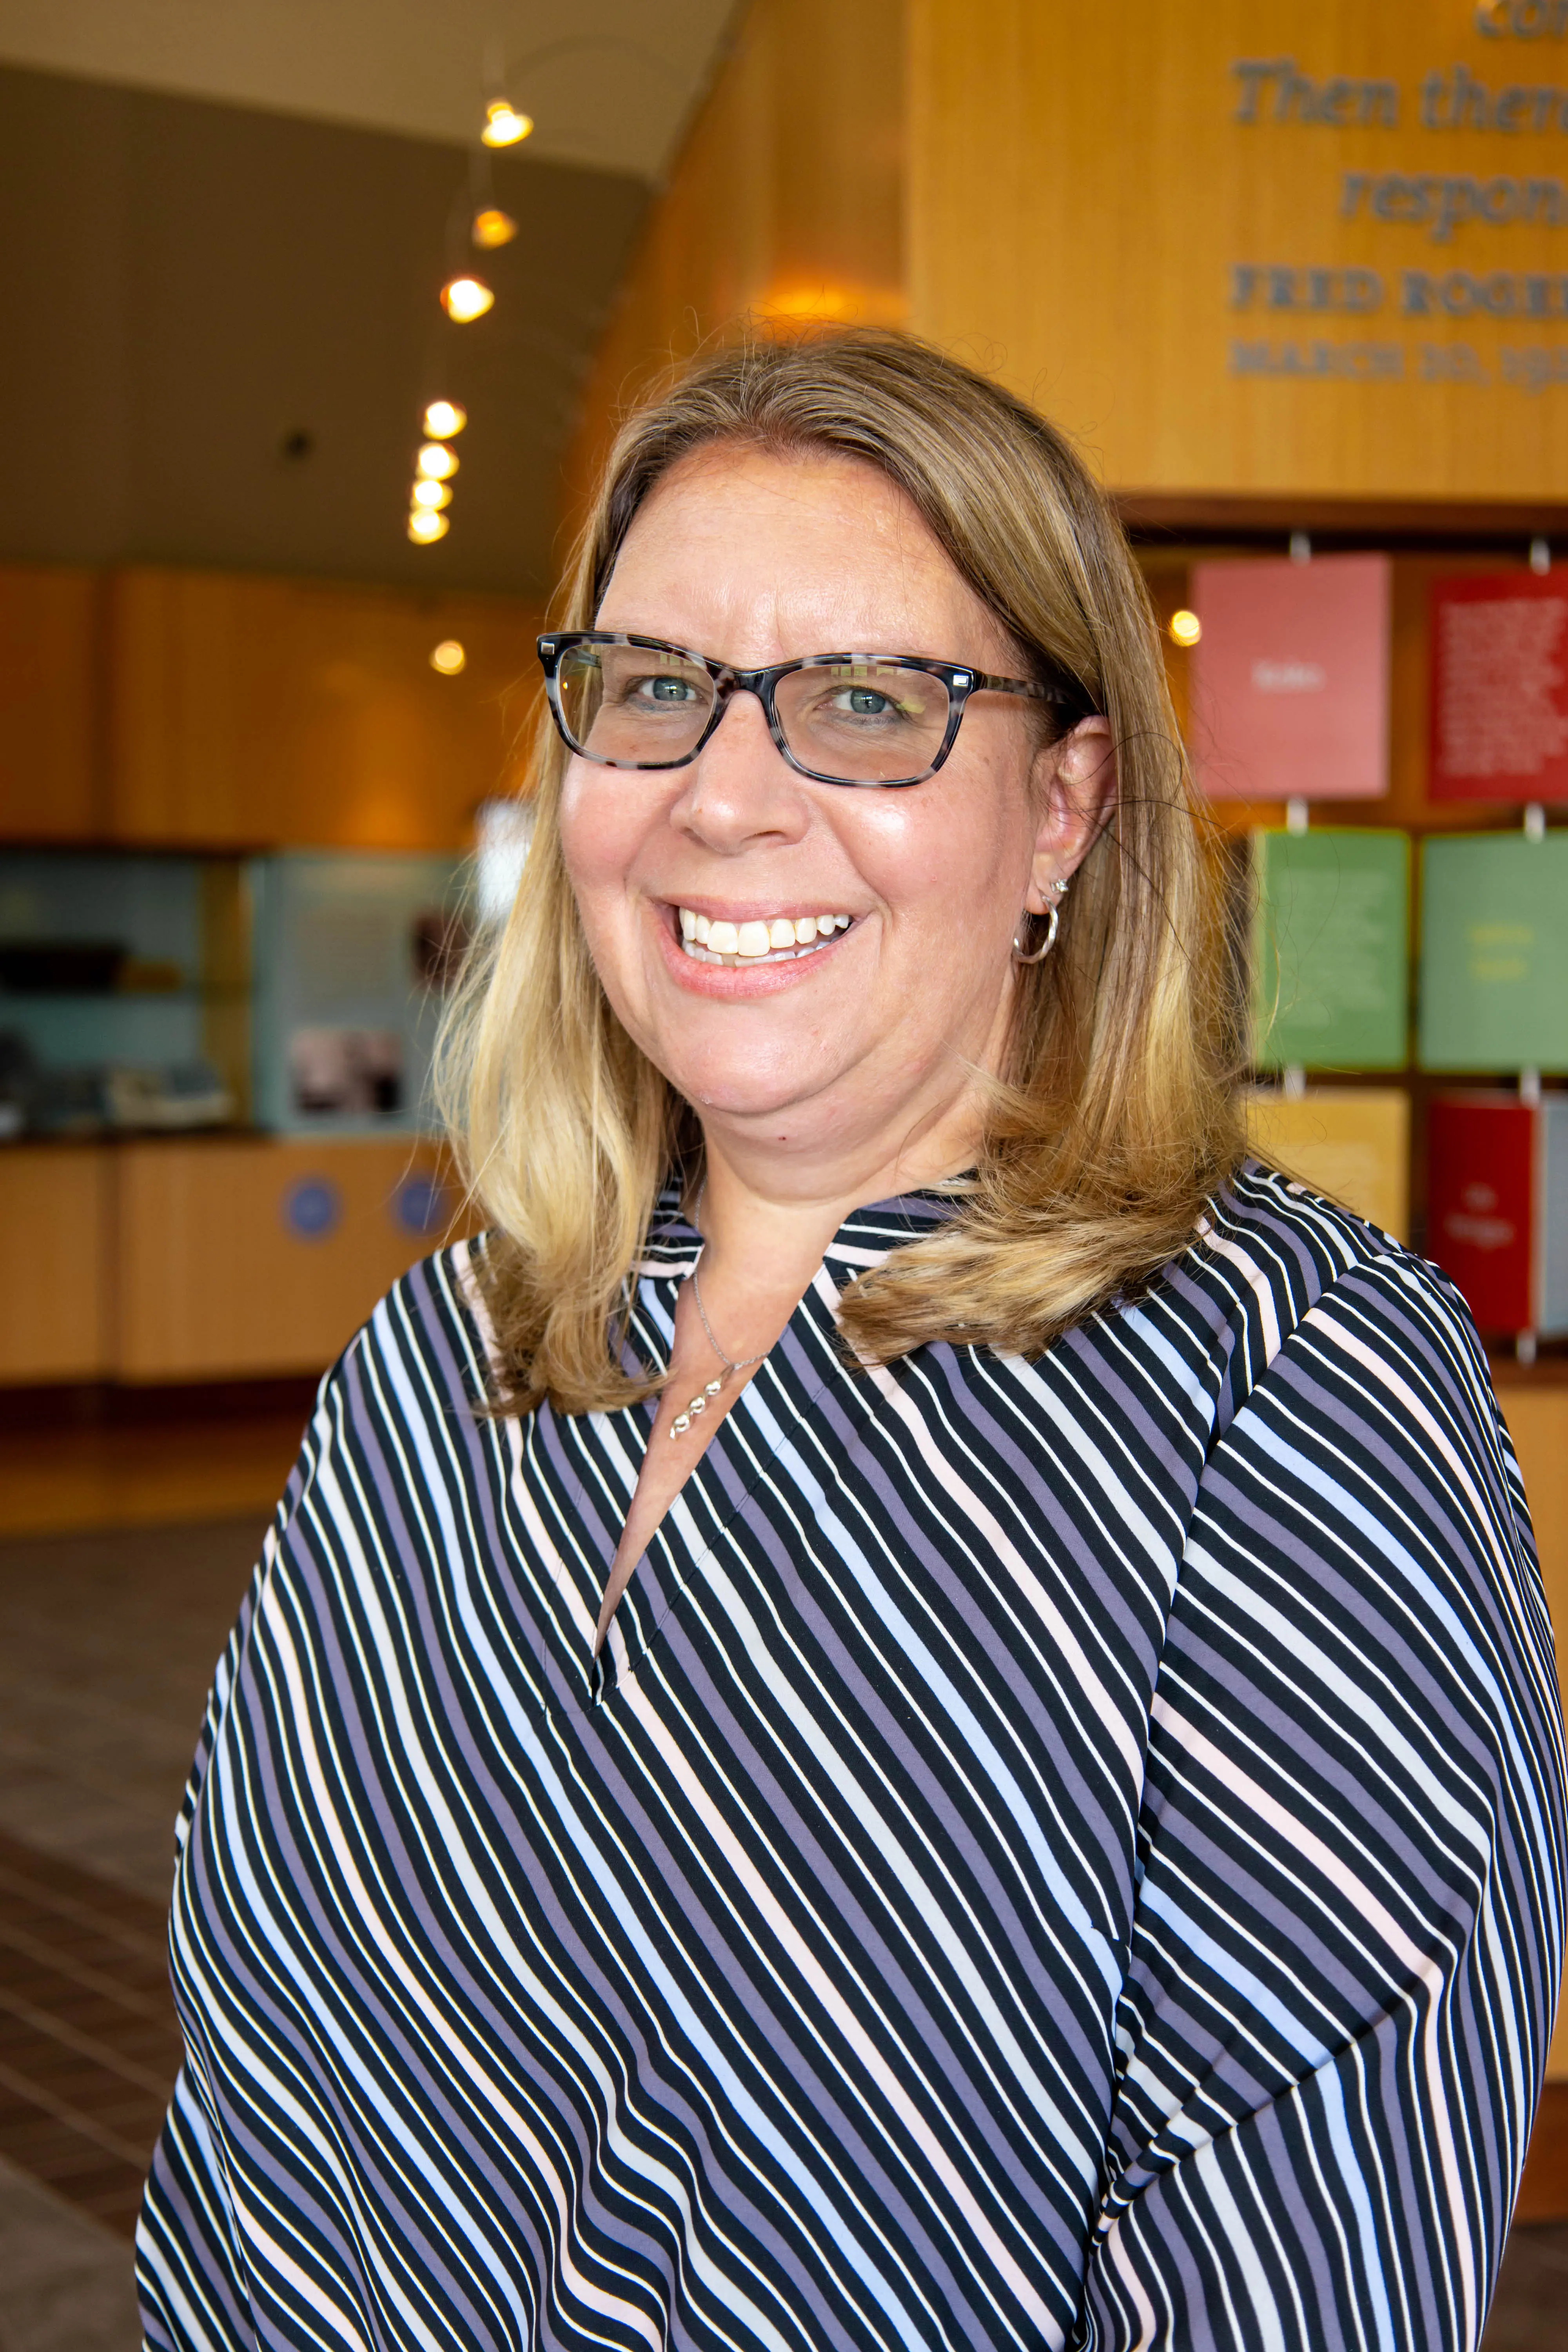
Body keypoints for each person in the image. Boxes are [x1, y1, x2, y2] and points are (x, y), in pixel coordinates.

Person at [138, 329, 1564, 2352]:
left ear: (1064, 812)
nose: (721, 800)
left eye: (873, 706)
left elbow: (1299, 2245)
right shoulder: (446, 1354)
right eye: (651, 691)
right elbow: (245, 2085)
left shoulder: (1287, 1385)